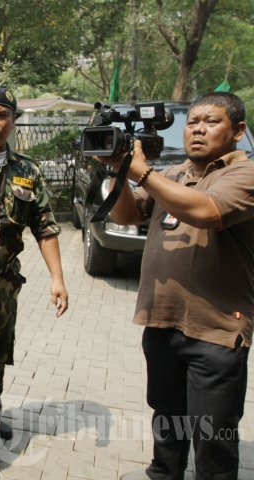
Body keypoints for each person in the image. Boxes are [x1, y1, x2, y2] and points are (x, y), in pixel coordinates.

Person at [93, 92, 253, 480]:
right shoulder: (175, 174)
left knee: (213, 436)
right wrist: (118, 171)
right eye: (193, 122)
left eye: (211, 122)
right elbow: (128, 215)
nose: (198, 129)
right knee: (167, 419)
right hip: (162, 322)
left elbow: (205, 211)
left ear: (238, 131)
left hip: (215, 330)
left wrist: (144, 173)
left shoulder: (244, 174)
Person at [0, 86, 69, 478]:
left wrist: (58, 278)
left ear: (13, 120)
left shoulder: (28, 170)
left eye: (2, 115)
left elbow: (45, 226)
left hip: (4, 284)